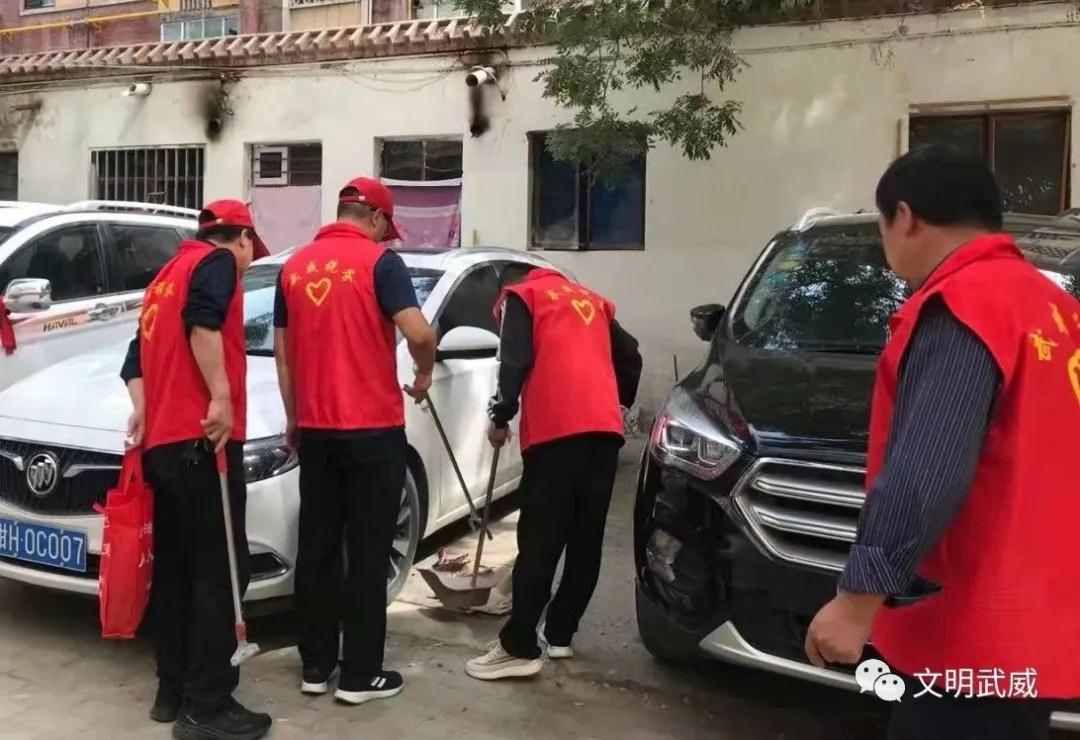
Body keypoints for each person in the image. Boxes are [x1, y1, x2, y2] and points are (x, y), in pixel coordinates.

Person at [804, 146, 1080, 740]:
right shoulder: (1057, 309)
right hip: (1041, 619)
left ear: (904, 217)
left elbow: (926, 471)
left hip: (973, 630)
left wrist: (857, 599)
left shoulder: (965, 304)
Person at [274, 177, 437, 705]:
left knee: (318, 548)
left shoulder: (294, 267)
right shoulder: (381, 264)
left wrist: (295, 417)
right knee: (367, 552)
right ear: (375, 218)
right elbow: (419, 333)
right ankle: (360, 676)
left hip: (317, 432)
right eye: (387, 228)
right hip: (372, 432)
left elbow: (283, 354)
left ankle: (316, 667)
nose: (388, 237)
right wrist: (425, 371)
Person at [120, 200, 272, 740]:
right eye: (251, 250)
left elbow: (133, 359)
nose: (248, 262)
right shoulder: (216, 262)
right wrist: (222, 397)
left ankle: (172, 689)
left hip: (163, 446)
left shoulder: (164, 278)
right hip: (203, 442)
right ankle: (207, 704)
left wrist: (143, 409)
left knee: (176, 573)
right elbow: (203, 323)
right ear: (241, 238)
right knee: (222, 572)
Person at [466, 266, 642, 680]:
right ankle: (561, 633)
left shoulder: (524, 297)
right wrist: (614, 401)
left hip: (556, 433)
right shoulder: (593, 301)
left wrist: (500, 416)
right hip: (603, 433)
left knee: (539, 542)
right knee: (585, 540)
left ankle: (519, 647)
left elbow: (514, 361)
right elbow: (631, 355)